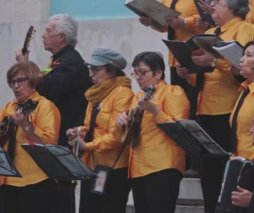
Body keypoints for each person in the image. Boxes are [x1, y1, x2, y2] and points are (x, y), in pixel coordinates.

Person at [176, 0, 254, 212]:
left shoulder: (245, 28)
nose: (212, 5)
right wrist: (189, 73)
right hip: (205, 108)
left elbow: (242, 67)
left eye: (218, 2)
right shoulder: (211, 32)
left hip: (229, 109)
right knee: (208, 171)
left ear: (233, 7)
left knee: (227, 171)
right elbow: (204, 77)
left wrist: (213, 61)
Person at [16, 13, 92, 213]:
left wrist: (25, 66)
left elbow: (49, 88)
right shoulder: (58, 60)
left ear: (62, 37)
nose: (43, 35)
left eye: (49, 30)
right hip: (51, 135)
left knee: (59, 197)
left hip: (63, 138)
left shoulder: (72, 62)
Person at [116, 52, 190, 213]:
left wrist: (156, 111)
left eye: (143, 72)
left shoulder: (173, 92)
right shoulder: (138, 97)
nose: (138, 77)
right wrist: (123, 121)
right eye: (135, 73)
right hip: (138, 166)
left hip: (163, 165)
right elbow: (132, 131)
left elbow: (180, 131)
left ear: (158, 73)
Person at [0, 61, 61, 213]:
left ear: (33, 81)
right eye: (12, 82)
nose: (15, 86)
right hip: (5, 179)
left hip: (35, 180)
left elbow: (49, 143)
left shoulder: (46, 106)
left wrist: (26, 126)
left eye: (20, 81)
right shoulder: (9, 107)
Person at [66, 48, 133, 213]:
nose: (91, 75)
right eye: (91, 69)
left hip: (114, 168)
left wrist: (86, 146)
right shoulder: (96, 95)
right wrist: (78, 131)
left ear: (110, 71)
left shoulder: (122, 93)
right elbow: (90, 126)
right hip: (92, 166)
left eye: (96, 70)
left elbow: (116, 137)